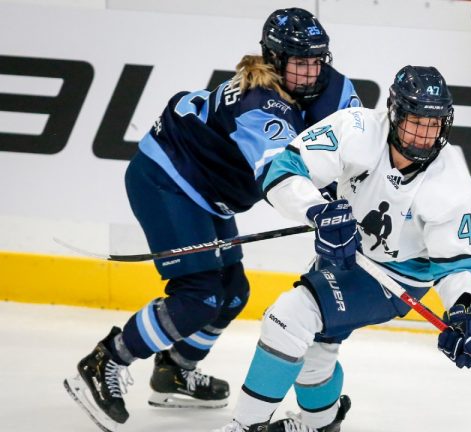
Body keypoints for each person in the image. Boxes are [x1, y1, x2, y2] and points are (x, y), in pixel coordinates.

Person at [63, 8, 360, 431]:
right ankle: (104, 360)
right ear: (274, 59)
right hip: (167, 180)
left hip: (209, 196)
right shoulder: (261, 105)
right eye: (299, 62)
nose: (311, 72)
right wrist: (322, 211)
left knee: (233, 292)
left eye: (317, 61)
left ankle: (175, 371)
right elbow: (282, 175)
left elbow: (356, 152)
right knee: (198, 297)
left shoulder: (337, 88)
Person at [214, 65, 471, 432]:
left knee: (289, 317)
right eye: (415, 122)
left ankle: (246, 425)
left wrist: (462, 311)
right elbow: (284, 169)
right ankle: (323, 424)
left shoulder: (451, 183)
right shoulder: (358, 129)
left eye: (434, 124)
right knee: (314, 353)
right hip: (340, 251)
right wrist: (319, 211)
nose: (424, 135)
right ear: (394, 113)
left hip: (393, 278)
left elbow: (458, 265)